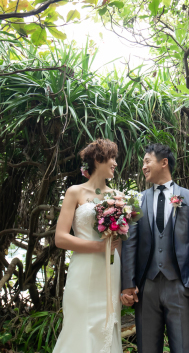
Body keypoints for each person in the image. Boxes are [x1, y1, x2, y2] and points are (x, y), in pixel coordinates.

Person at [120, 143, 189, 353]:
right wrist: (128, 284)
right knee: (147, 348)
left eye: (147, 161)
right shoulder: (136, 200)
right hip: (147, 288)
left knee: (184, 348)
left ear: (164, 163)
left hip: (180, 286)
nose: (143, 167)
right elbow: (130, 244)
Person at [53, 138, 123, 353]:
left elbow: (120, 243)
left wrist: (127, 280)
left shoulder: (118, 197)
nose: (115, 163)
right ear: (98, 159)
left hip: (111, 270)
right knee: (79, 322)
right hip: (83, 269)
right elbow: (61, 238)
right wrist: (98, 247)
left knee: (108, 323)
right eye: (112, 158)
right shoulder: (75, 192)